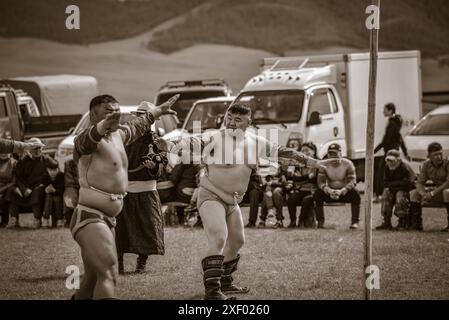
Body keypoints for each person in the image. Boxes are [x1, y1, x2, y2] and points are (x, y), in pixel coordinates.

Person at [155, 102, 322, 300]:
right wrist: (170, 146)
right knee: (218, 237)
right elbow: (191, 142)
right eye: (229, 118)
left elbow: (283, 152)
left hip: (232, 202)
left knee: (237, 241)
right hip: (211, 195)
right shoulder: (214, 138)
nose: (232, 123)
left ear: (248, 122)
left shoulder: (257, 142)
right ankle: (212, 292)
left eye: (238, 120)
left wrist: (313, 162)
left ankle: (225, 283)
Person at [70, 94, 178, 300]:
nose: (115, 116)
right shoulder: (85, 139)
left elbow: (139, 124)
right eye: (108, 112)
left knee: (90, 281)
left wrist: (159, 111)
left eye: (116, 111)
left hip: (108, 219)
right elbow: (85, 142)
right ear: (93, 115)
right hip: (90, 217)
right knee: (109, 271)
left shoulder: (119, 136)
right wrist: (102, 127)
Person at [115, 104, 168, 275]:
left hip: (147, 192)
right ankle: (119, 265)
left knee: (147, 228)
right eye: (140, 115)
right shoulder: (124, 138)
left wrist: (153, 167)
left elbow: (162, 167)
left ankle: (142, 263)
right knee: (119, 230)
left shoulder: (157, 141)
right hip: (124, 191)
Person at [6, 138, 58, 229]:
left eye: (39, 148)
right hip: (25, 188)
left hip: (38, 188)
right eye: (35, 148)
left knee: (38, 191)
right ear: (29, 150)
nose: (38, 151)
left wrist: (47, 157)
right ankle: (14, 219)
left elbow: (55, 165)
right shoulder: (22, 161)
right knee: (12, 191)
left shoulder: (45, 159)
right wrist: (24, 189)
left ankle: (37, 219)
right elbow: (18, 178)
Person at [314, 143, 360, 229]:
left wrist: (343, 190)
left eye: (335, 154)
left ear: (341, 154)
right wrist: (328, 190)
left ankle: (355, 221)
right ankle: (320, 221)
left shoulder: (348, 164)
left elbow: (353, 181)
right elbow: (320, 182)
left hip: (344, 192)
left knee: (355, 194)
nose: (333, 157)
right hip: (330, 192)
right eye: (331, 154)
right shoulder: (323, 165)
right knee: (318, 194)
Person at [409, 142, 449, 232]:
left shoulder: (448, 163)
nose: (439, 157)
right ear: (429, 156)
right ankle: (416, 224)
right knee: (414, 193)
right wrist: (423, 194)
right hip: (438, 193)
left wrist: (432, 193)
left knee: (447, 192)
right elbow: (419, 183)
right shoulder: (427, 165)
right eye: (435, 155)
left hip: (445, 192)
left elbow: (448, 183)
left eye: (440, 154)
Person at [374, 103, 409, 199]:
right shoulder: (396, 122)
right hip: (395, 150)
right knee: (388, 171)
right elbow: (400, 138)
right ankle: (384, 194)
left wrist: (374, 150)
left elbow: (386, 140)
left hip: (390, 152)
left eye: (385, 110)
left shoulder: (392, 123)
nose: (383, 111)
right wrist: (405, 152)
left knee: (381, 172)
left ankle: (379, 195)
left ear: (390, 111)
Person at [375, 150, 416, 231]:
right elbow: (385, 183)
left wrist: (393, 185)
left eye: (392, 160)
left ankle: (402, 221)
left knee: (400, 195)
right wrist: (396, 184)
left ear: (399, 160)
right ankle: (386, 221)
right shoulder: (387, 167)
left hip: (406, 190)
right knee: (386, 194)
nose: (390, 163)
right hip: (394, 189)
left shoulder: (405, 167)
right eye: (388, 160)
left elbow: (407, 183)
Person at [285, 142, 318, 229]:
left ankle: (301, 220)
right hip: (301, 190)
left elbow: (314, 179)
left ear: (313, 151)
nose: (304, 152)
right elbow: (293, 178)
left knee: (306, 200)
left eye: (307, 150)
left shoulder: (317, 163)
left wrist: (300, 178)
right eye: (302, 150)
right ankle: (292, 221)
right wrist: (307, 177)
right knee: (291, 199)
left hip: (312, 191)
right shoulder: (298, 164)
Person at [42, 162, 65, 228]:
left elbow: (62, 189)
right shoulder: (45, 176)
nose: (52, 172)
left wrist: (55, 190)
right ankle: (46, 218)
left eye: (55, 170)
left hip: (59, 195)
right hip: (48, 196)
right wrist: (46, 189)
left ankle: (60, 219)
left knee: (56, 198)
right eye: (50, 170)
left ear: (58, 169)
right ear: (47, 170)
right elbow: (43, 186)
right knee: (49, 197)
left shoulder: (61, 176)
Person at [0, 153, 16, 227]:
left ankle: (4, 221)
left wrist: (2, 189)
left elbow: (14, 181)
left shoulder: (14, 163)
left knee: (8, 194)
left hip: (8, 186)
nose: (3, 153)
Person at [63, 159, 79, 228]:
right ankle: (68, 219)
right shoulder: (69, 163)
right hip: (73, 186)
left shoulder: (90, 162)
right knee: (70, 195)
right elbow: (69, 180)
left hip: (86, 186)